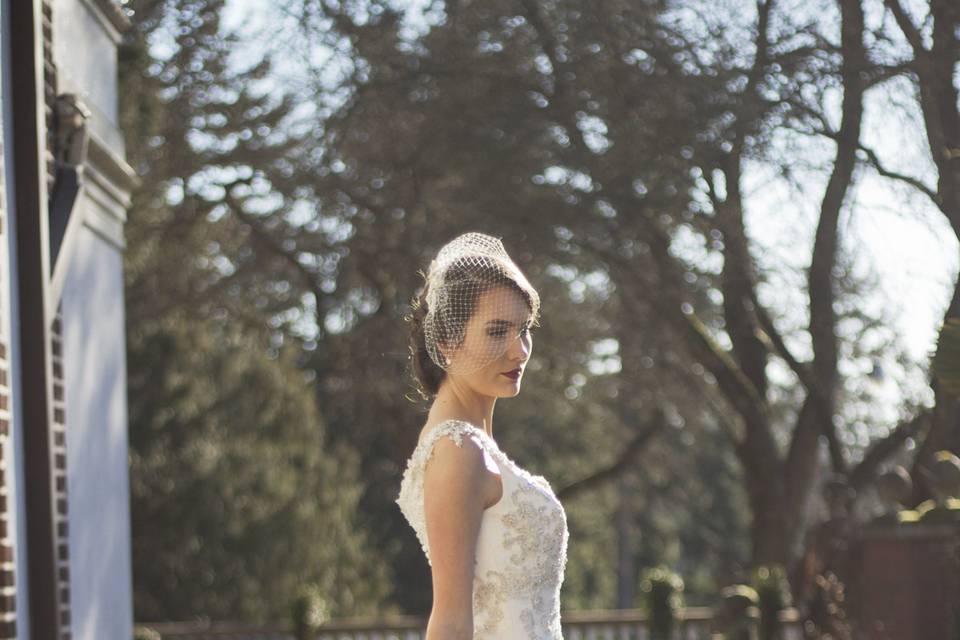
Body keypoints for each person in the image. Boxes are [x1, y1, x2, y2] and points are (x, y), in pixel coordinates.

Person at [396, 232, 568, 639]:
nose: (520, 350)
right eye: (496, 332)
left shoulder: (472, 445)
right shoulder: (457, 450)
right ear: (447, 343)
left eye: (523, 329)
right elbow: (451, 621)